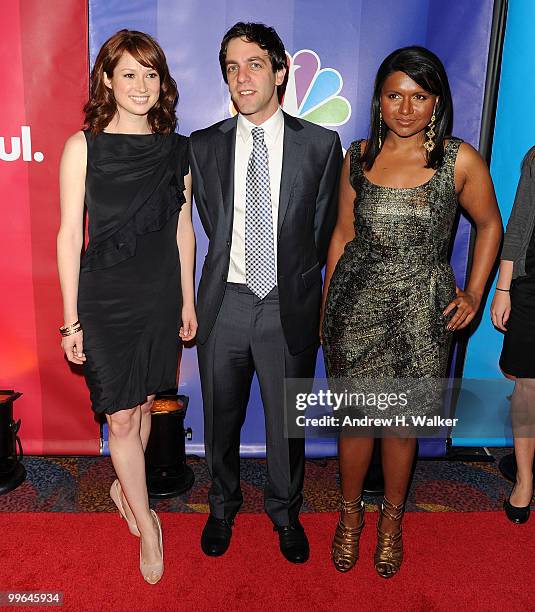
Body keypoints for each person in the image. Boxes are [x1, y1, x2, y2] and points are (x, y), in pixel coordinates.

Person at [321, 46, 502, 577]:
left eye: (418, 96)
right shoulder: (356, 156)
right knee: (355, 424)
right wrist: (329, 307)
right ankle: (350, 518)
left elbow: (489, 224)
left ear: (436, 101)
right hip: (355, 307)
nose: (405, 108)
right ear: (378, 101)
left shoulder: (458, 159)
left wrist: (472, 293)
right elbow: (341, 235)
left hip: (423, 313)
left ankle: (392, 523)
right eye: (394, 95)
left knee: (400, 427)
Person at [189, 21, 342, 563]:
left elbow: (323, 231)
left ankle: (285, 511)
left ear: (280, 71)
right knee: (219, 419)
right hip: (225, 302)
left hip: (286, 304)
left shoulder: (322, 145)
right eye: (231, 67)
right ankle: (221, 506)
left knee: (286, 426)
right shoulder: (203, 146)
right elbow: (208, 223)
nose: (242, 76)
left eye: (254, 63)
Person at [57, 29, 196, 584]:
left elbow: (184, 230)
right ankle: (149, 522)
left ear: (162, 82)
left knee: (139, 408)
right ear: (107, 81)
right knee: (119, 413)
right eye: (129, 73)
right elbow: (70, 235)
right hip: (105, 297)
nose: (140, 85)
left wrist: (187, 299)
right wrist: (70, 319)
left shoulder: (176, 148)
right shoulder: (82, 146)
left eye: (150, 73)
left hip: (159, 295)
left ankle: (125, 483)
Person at [491, 148, 535, 524]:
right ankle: (524, 479)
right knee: (528, 385)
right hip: (533, 287)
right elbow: (519, 224)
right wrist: (502, 289)